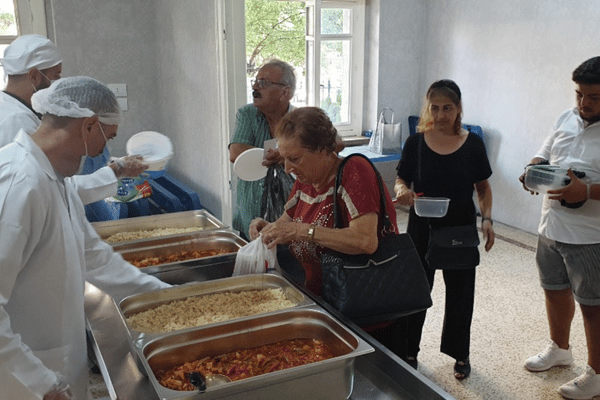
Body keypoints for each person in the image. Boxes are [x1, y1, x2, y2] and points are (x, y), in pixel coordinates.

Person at [0, 76, 171, 400]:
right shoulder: (18, 184)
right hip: (21, 377)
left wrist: (166, 295)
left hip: (57, 356)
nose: (104, 150)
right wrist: (43, 385)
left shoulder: (54, 178)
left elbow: (94, 256)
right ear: (89, 126)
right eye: (108, 137)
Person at [249, 106, 399, 347]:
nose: (287, 168)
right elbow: (286, 224)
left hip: (366, 313)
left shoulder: (355, 172)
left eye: (294, 158)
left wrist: (302, 231)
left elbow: (365, 241)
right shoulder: (306, 179)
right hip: (325, 302)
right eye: (284, 158)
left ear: (322, 150)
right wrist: (266, 228)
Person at [394, 79, 495, 379]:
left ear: (459, 108)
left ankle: (460, 353)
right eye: (434, 108)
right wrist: (402, 191)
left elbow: (483, 188)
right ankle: (409, 349)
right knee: (416, 290)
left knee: (461, 294)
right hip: (421, 228)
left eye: (447, 108)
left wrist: (487, 219)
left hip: (460, 229)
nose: (440, 115)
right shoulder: (416, 143)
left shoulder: (473, 144)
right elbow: (402, 180)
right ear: (427, 108)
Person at [520, 57, 600, 400]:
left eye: (593, 97)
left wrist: (589, 191)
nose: (583, 103)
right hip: (551, 223)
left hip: (590, 235)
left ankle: (597, 373)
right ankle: (560, 349)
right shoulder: (566, 117)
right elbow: (545, 153)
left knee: (593, 304)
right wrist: (532, 169)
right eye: (579, 94)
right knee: (553, 288)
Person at [0, 34, 147, 205]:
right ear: (34, 76)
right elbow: (54, 190)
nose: (58, 84)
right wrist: (115, 171)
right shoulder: (16, 121)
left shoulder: (11, 108)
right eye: (56, 76)